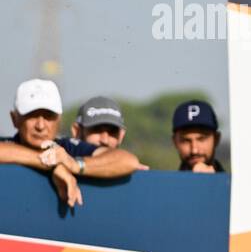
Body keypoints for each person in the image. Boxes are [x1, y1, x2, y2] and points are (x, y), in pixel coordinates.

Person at [0, 79, 143, 207]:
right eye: (31, 115)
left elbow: (128, 161)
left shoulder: (68, 148)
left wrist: (74, 164)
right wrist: (51, 164)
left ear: (59, 120)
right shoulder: (7, 144)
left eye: (49, 116)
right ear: (14, 119)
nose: (41, 125)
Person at [172, 99, 226, 173]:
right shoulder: (166, 184)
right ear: (175, 142)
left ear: (216, 139)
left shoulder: (238, 183)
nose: (194, 150)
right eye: (186, 140)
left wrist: (213, 182)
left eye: (201, 139)